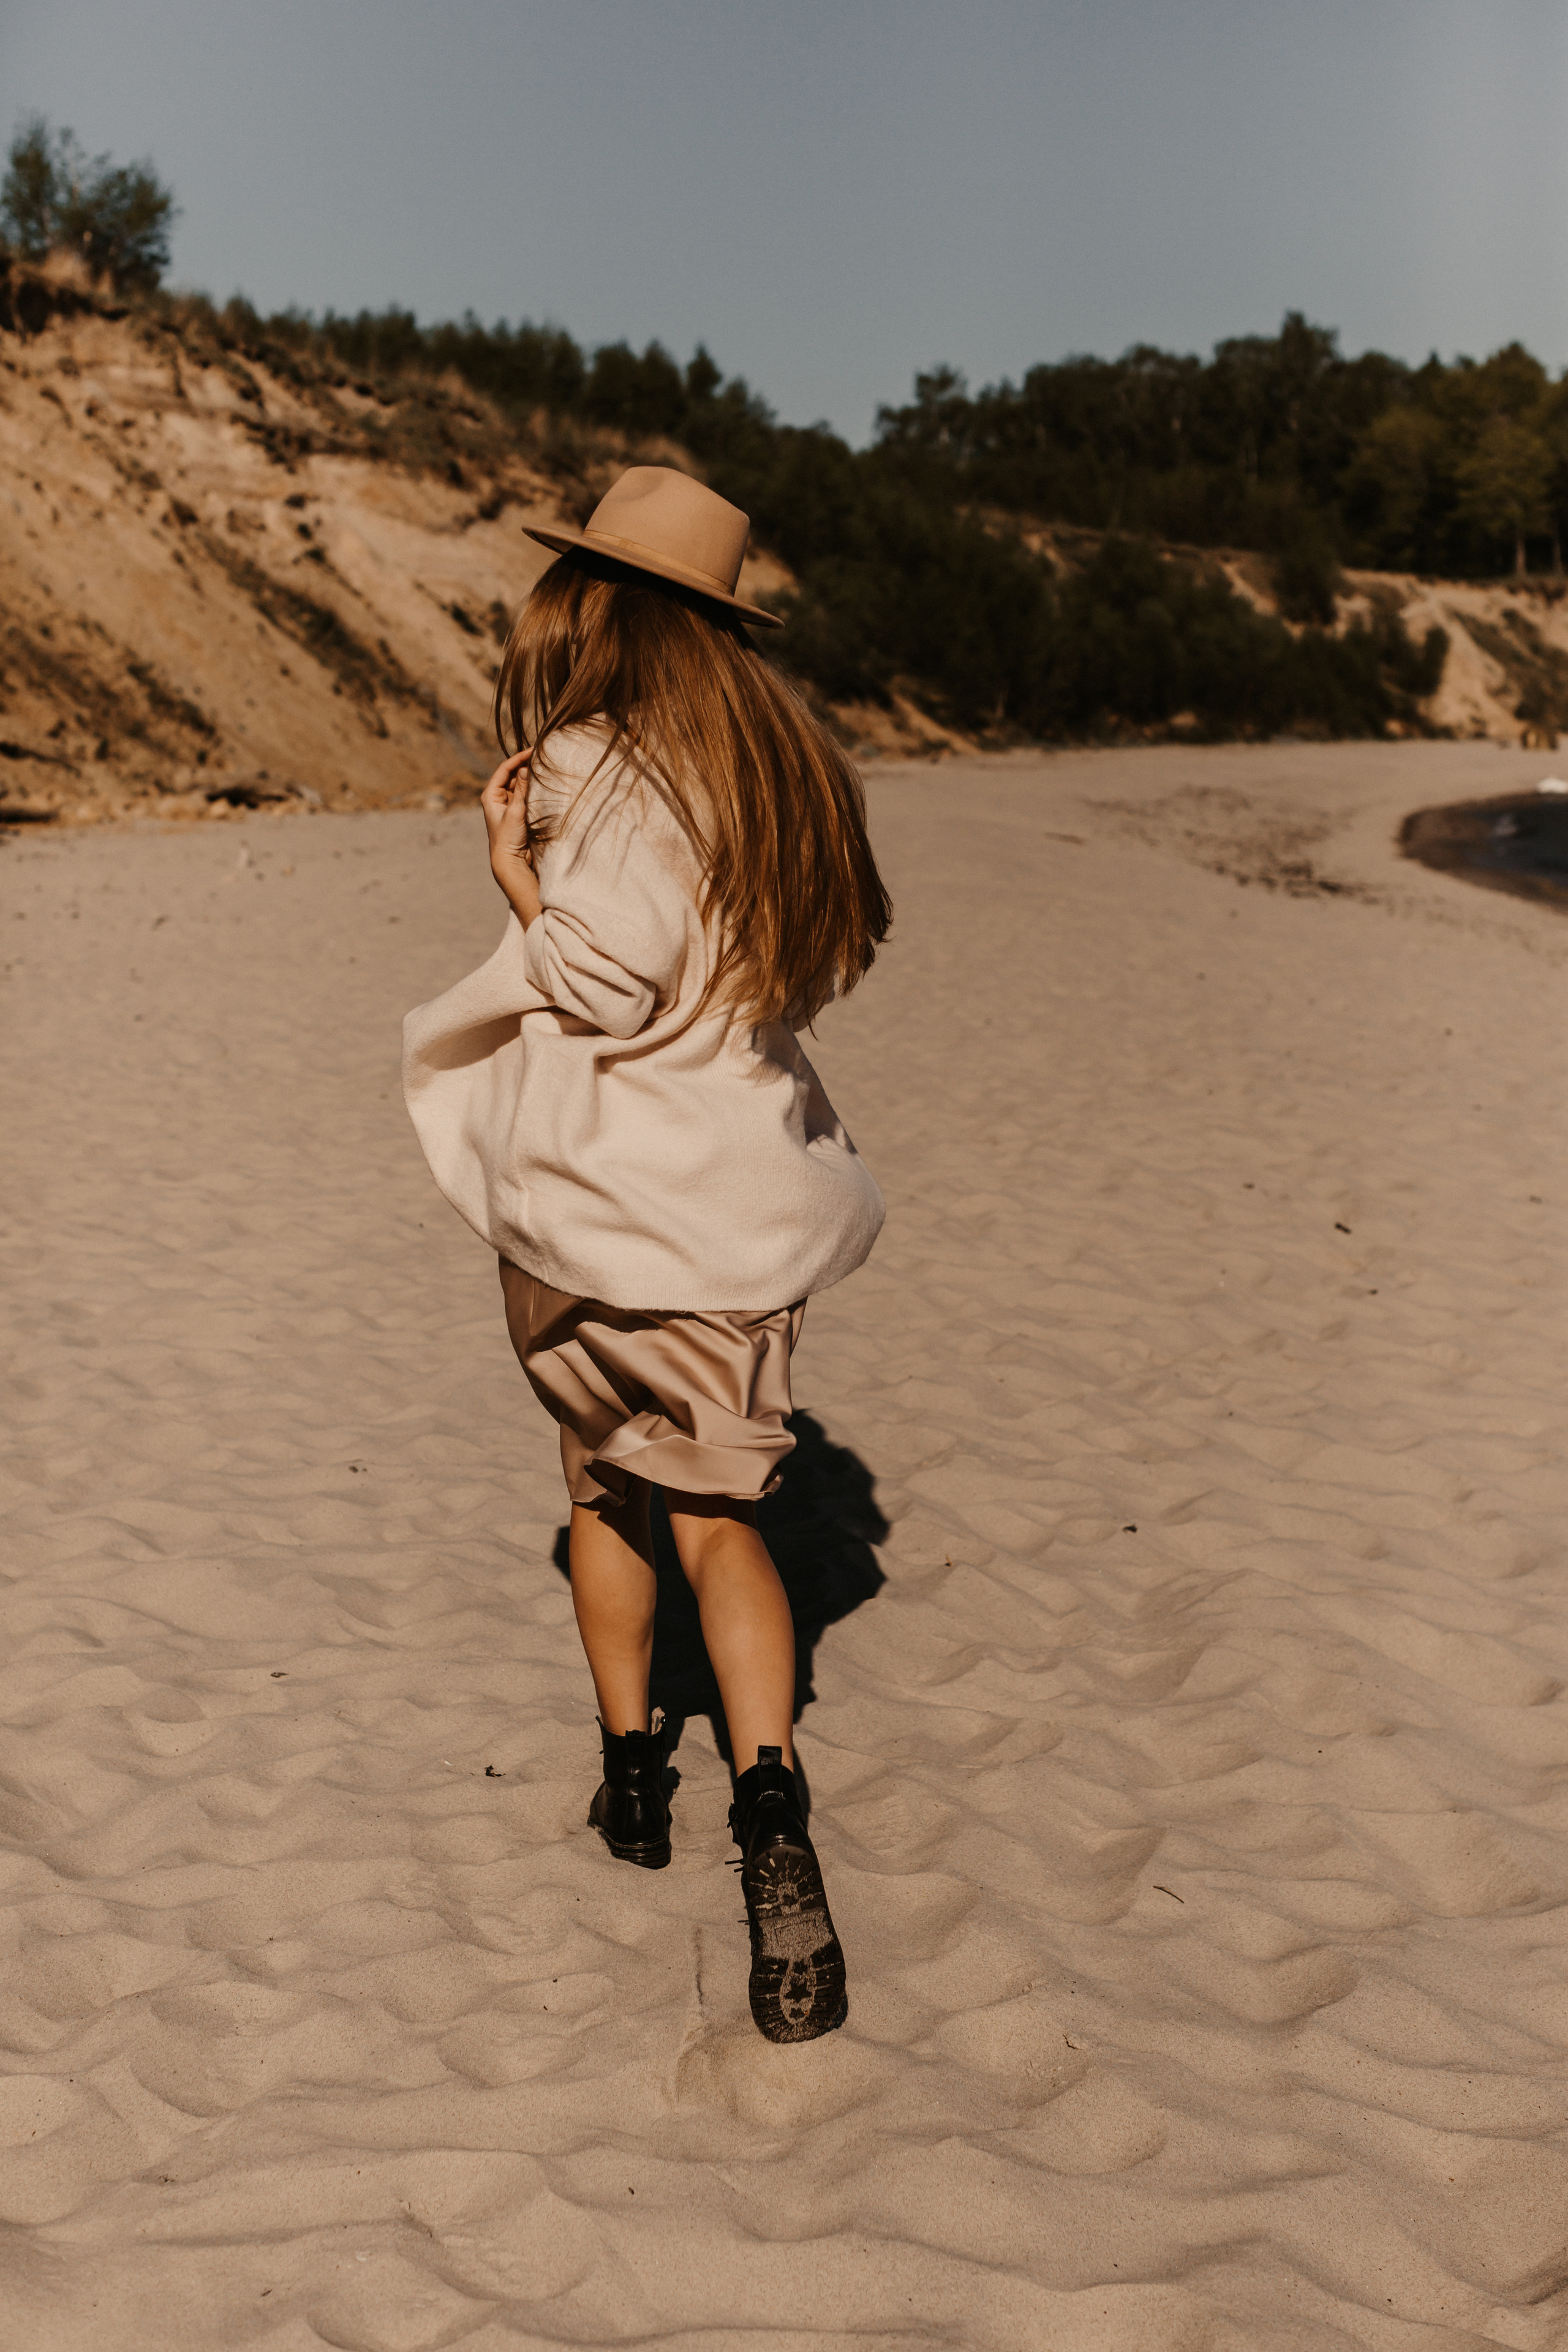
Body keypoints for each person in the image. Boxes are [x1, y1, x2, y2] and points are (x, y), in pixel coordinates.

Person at [403, 467, 891, 2044]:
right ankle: (769, 1811)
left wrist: (516, 879)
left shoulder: (594, 766)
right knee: (723, 1521)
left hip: (598, 1209)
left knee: (599, 1481)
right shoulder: (788, 771)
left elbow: (601, 986)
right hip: (742, 1221)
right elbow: (813, 968)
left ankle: (632, 1783)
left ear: (607, 603)